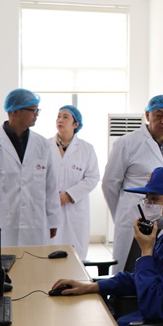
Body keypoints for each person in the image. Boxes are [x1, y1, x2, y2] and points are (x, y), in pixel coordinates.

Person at [53, 167, 163, 326]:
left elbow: (156, 309)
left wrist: (146, 252)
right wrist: (92, 287)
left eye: (154, 200)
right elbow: (140, 279)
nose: (148, 206)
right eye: (147, 199)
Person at [102, 95, 163, 273]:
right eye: (158, 115)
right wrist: (122, 213)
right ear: (147, 115)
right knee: (128, 271)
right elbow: (109, 184)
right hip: (133, 217)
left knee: (159, 272)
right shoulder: (127, 143)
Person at [0, 88, 61, 247]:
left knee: (34, 262)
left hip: (35, 224)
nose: (37, 114)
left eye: (37, 110)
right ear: (15, 112)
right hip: (2, 225)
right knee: (3, 262)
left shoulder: (42, 145)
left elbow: (50, 185)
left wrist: (53, 220)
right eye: (33, 110)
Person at [48, 105, 100, 260]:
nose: (60, 120)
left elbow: (92, 177)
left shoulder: (86, 149)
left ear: (76, 124)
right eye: (58, 116)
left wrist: (68, 196)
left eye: (65, 117)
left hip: (75, 210)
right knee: (49, 252)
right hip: (50, 207)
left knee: (75, 255)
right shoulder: (44, 146)